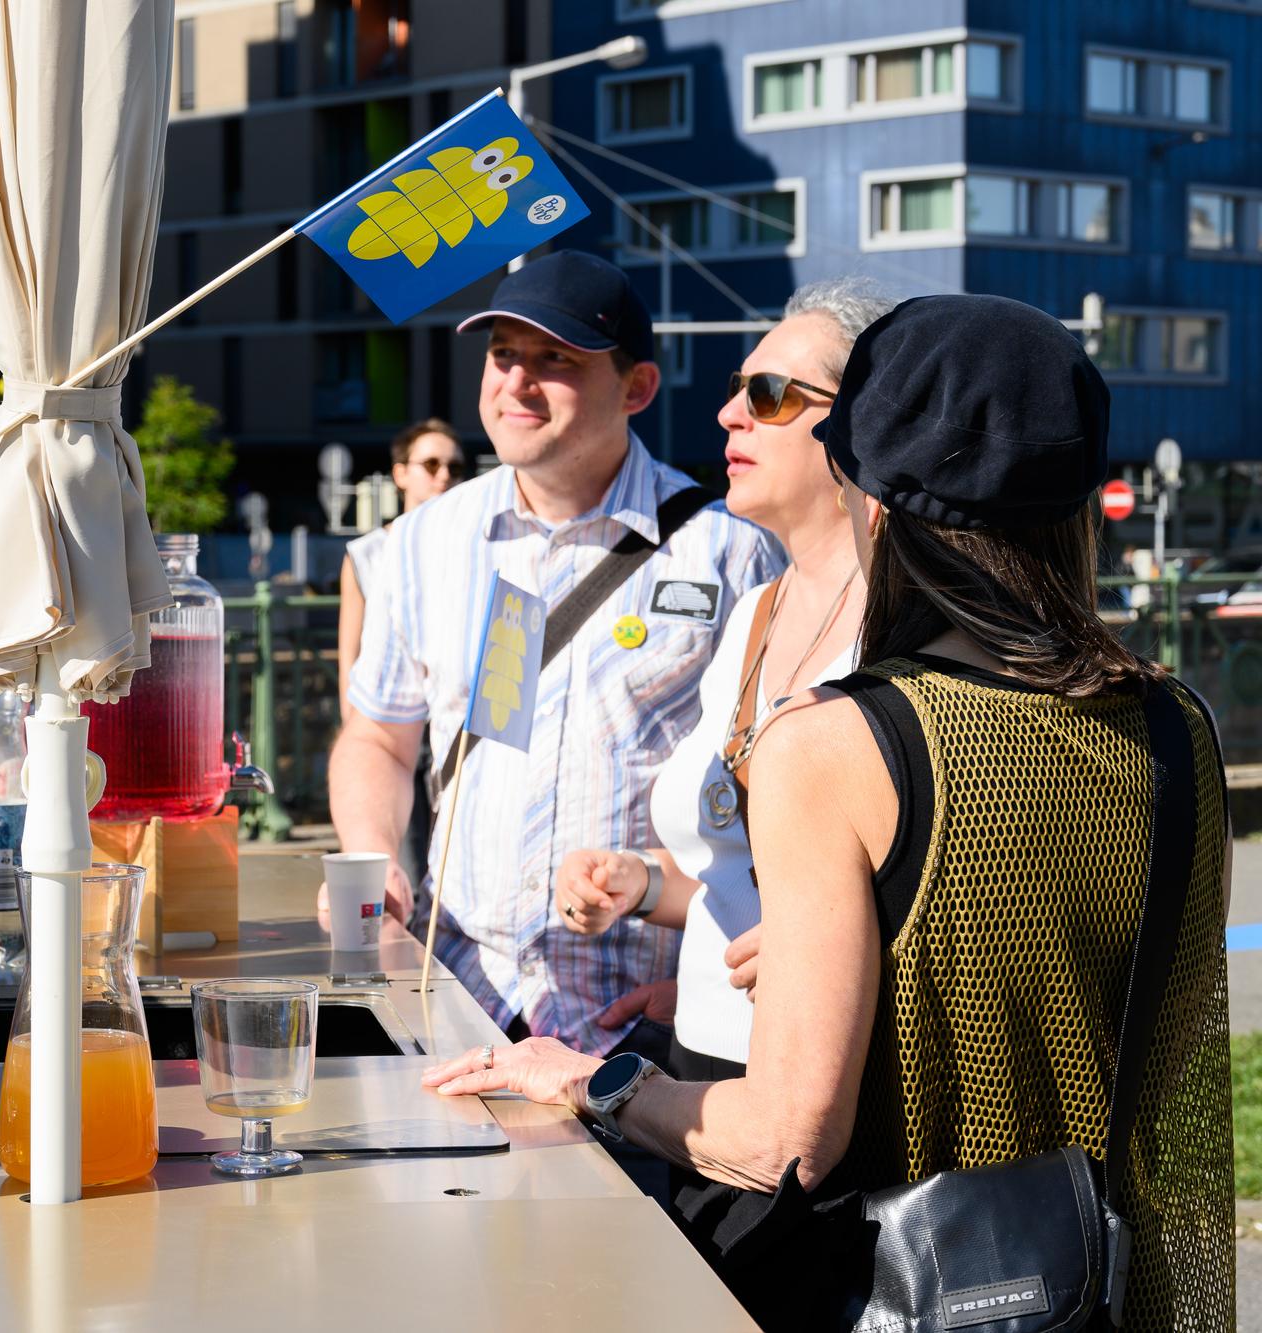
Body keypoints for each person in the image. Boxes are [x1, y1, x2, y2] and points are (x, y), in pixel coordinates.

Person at [424, 294, 1233, 1330]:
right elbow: (1137, 1011)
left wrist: (591, 1080)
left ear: (868, 489)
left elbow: (784, 1141)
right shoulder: (1174, 723)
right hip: (1109, 1284)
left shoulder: (836, 740)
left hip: (907, 1285)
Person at [327, 250, 782, 1063]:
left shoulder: (730, 552)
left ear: (637, 388)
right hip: (458, 1002)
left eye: (555, 359)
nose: (517, 381)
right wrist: (373, 856)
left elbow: (778, 803)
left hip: (635, 1028)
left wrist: (705, 990)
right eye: (503, 353)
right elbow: (378, 738)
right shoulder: (424, 541)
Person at [552, 279, 894, 1076]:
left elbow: (970, 879)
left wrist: (850, 944)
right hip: (704, 1058)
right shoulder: (755, 614)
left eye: (769, 394)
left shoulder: (907, 625)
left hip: (825, 1078)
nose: (730, 413)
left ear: (862, 422)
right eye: (739, 389)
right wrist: (640, 884)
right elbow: (733, 871)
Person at [337, 419, 466, 886]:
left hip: (453, 721)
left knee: (454, 858)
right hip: (391, 724)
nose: (444, 475)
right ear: (400, 473)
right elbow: (350, 651)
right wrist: (358, 735)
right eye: (430, 464)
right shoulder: (368, 553)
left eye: (454, 466)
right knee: (402, 865)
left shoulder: (470, 546)